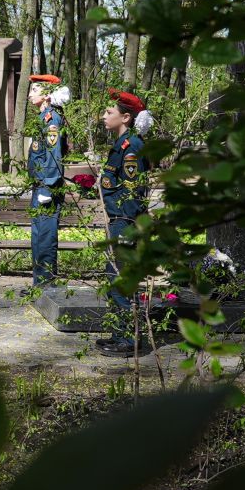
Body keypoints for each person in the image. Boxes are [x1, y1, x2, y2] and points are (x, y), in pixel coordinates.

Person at [96, 88, 153, 358]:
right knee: (114, 278)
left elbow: (133, 192)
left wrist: (128, 228)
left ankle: (129, 341)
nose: (103, 116)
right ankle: (120, 333)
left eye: (109, 112)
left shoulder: (132, 148)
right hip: (118, 220)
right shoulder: (122, 145)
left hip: (125, 222)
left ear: (126, 118)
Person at [26, 74, 71, 286]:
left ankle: (45, 286)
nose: (29, 94)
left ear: (46, 95)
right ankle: (39, 286)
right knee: (38, 237)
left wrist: (49, 185)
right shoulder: (43, 117)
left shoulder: (51, 119)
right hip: (40, 186)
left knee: (45, 238)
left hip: (47, 189)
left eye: (34, 90)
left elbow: (54, 155)